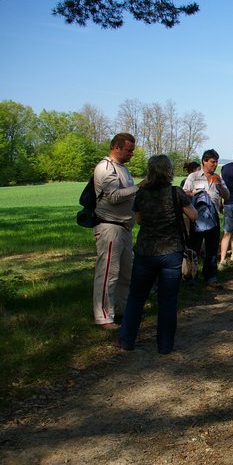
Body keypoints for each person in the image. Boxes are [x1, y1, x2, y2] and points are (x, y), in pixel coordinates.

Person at [118, 155, 197, 354]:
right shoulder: (176, 193)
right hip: (171, 252)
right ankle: (164, 345)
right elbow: (193, 216)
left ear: (150, 171)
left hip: (146, 251)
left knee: (136, 297)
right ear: (169, 171)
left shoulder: (142, 193)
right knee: (168, 300)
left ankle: (127, 340)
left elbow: (138, 220)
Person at [92, 132, 140, 331]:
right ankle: (103, 317)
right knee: (108, 274)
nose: (131, 154)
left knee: (125, 274)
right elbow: (113, 196)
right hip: (109, 226)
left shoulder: (124, 169)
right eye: (128, 150)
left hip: (124, 227)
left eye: (132, 151)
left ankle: (121, 309)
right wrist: (140, 187)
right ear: (116, 147)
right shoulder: (105, 168)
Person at [182, 149, 229, 288]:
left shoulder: (218, 178)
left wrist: (220, 186)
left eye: (216, 162)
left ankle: (211, 277)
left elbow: (227, 196)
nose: (215, 165)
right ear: (204, 161)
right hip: (196, 216)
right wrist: (193, 193)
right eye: (213, 162)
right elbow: (183, 194)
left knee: (212, 249)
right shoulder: (193, 177)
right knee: (194, 248)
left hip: (213, 216)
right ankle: (191, 277)